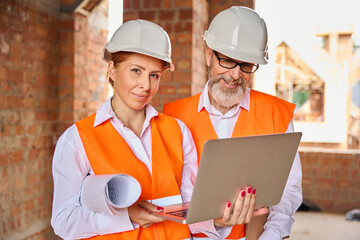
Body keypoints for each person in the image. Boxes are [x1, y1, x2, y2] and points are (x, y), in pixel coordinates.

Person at [51, 19, 260, 240]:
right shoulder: (77, 140)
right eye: (136, 71)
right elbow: (64, 221)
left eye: (154, 75)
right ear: (112, 70)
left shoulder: (178, 132)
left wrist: (218, 219)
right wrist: (127, 216)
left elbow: (189, 207)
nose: (146, 85)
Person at [163, 6, 303, 240]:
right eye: (227, 61)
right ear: (209, 55)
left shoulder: (276, 113)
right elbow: (171, 196)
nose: (236, 75)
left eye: (246, 65)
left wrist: (271, 235)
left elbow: (288, 191)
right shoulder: (174, 117)